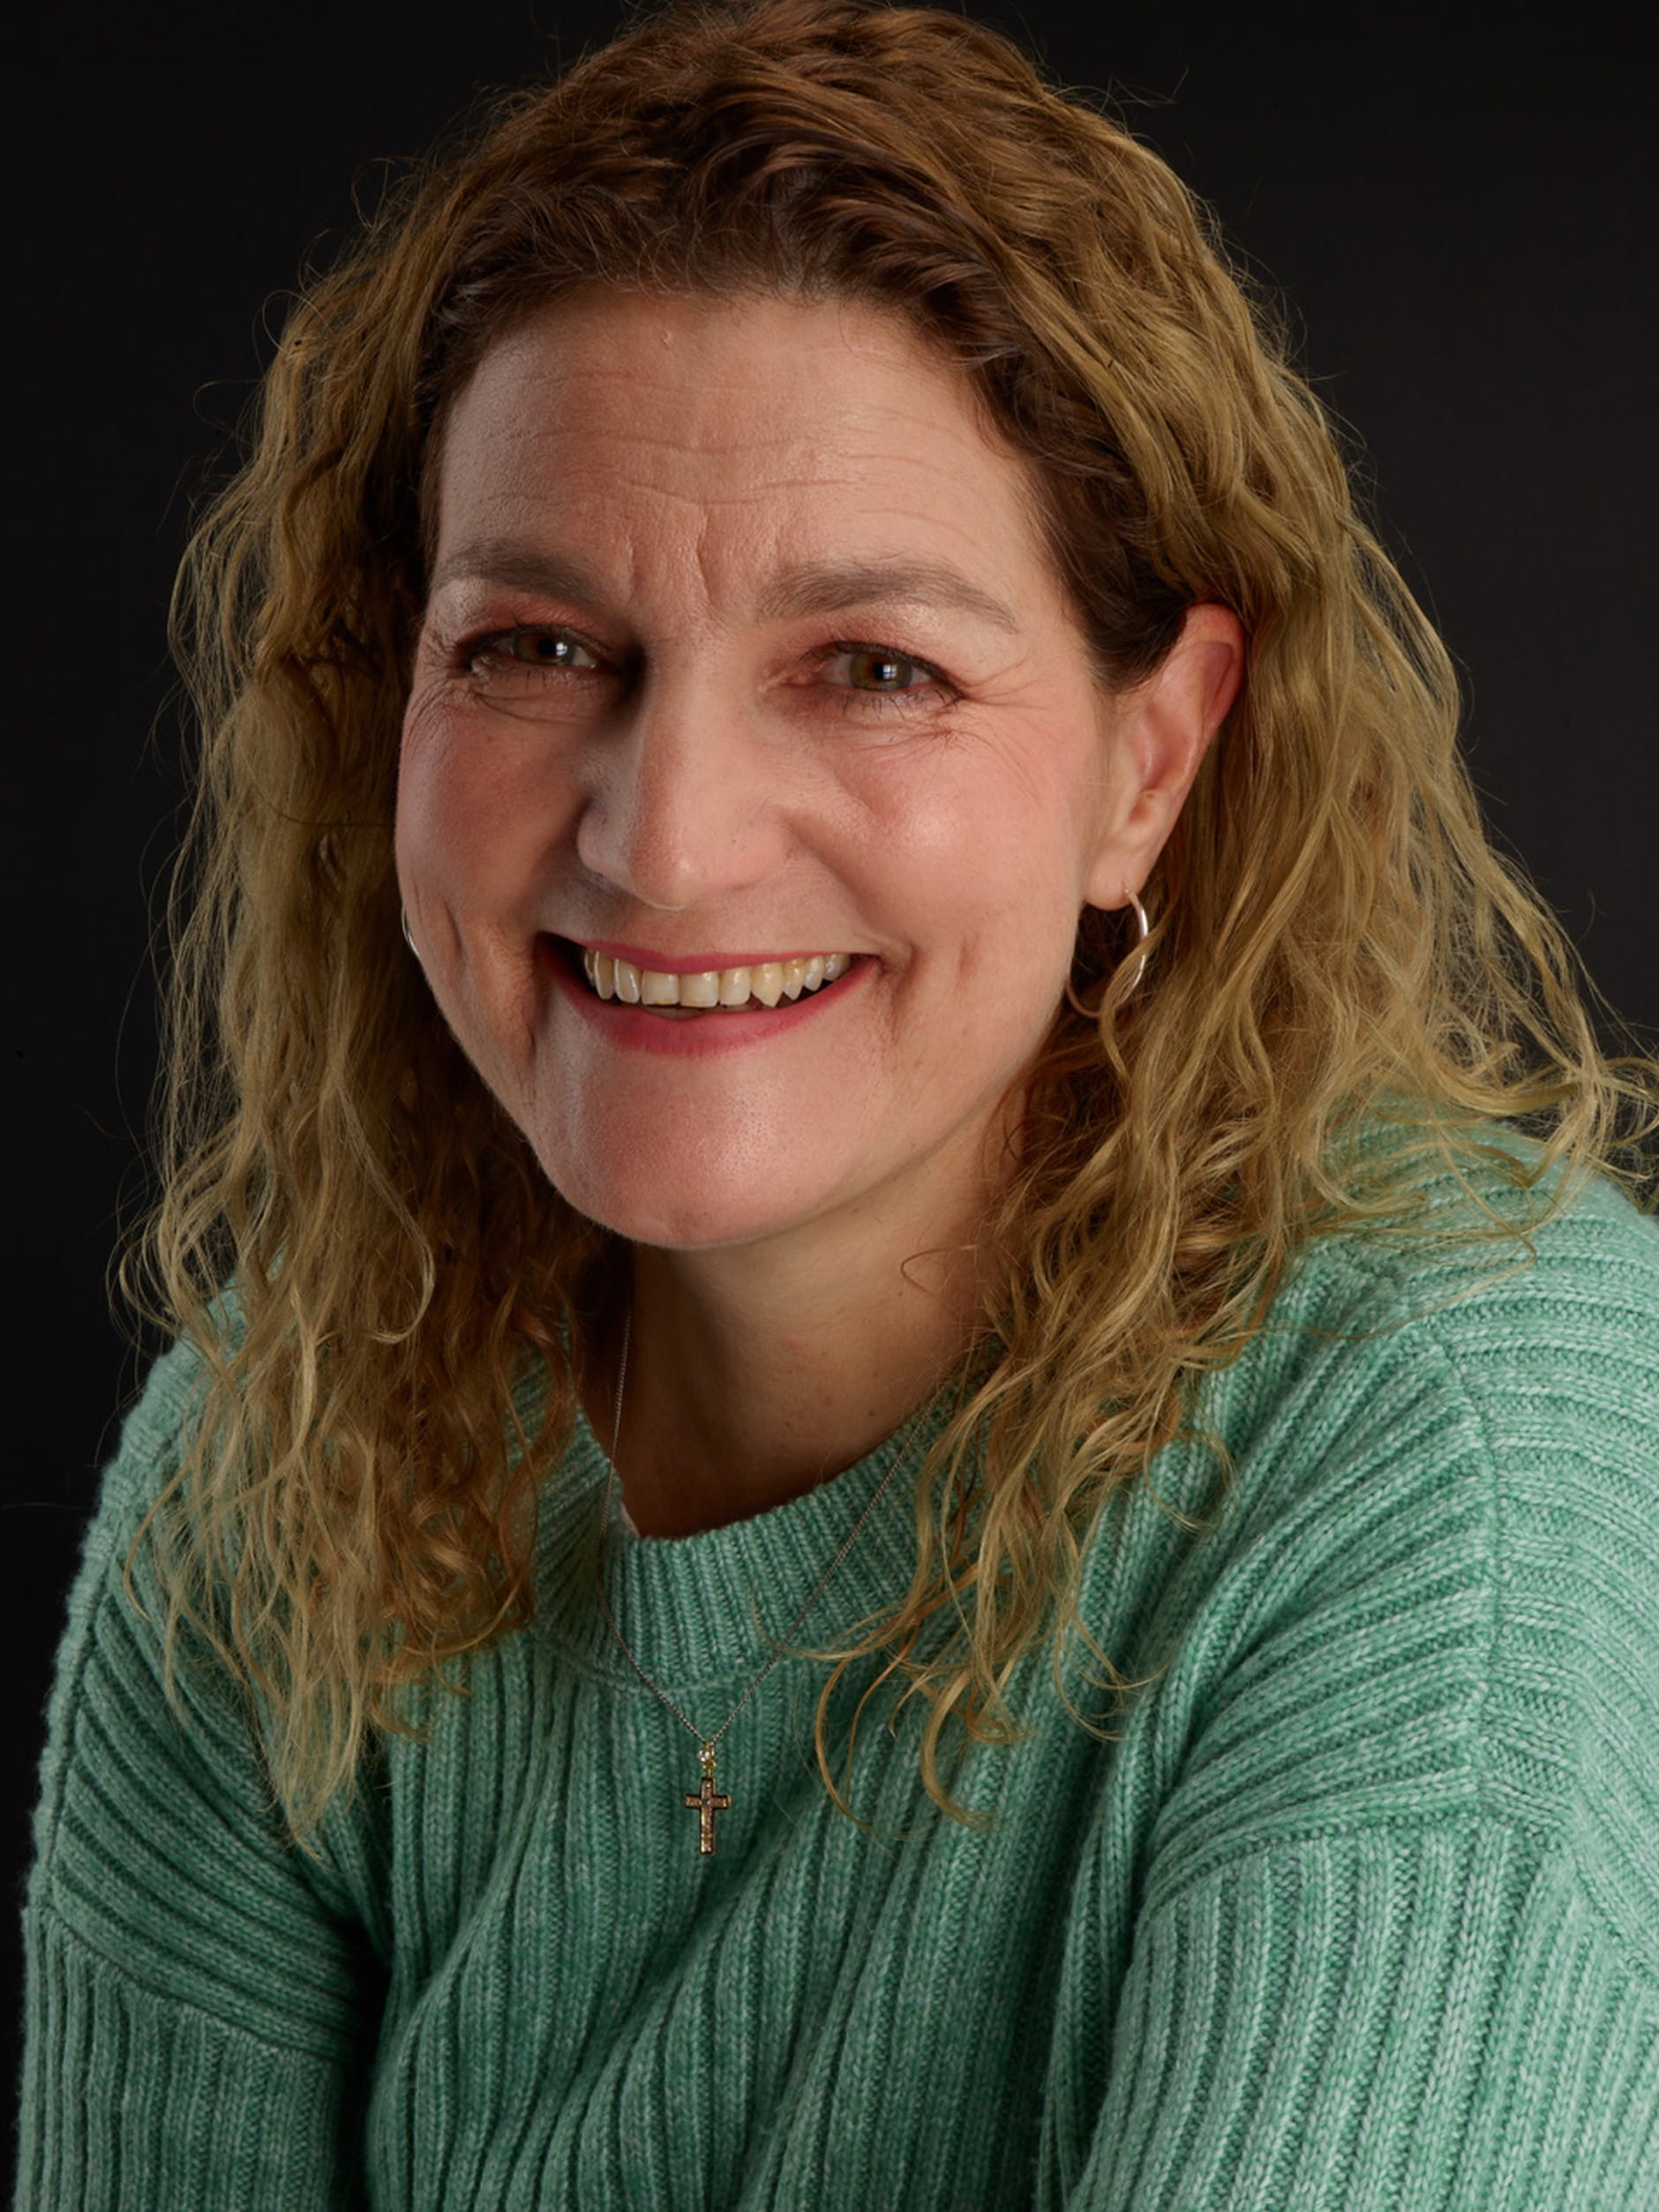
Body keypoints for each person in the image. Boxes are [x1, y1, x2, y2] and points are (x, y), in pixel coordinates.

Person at [19, 1, 1659, 2204]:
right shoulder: (275, 1456)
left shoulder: (1458, 1449)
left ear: (1149, 762)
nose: (667, 842)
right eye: (535, 646)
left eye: (875, 669)